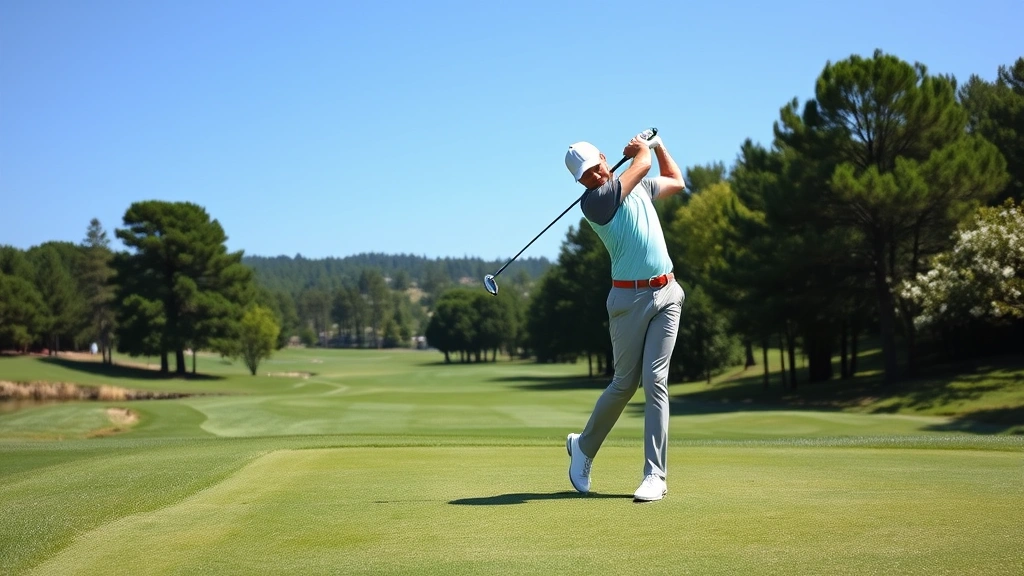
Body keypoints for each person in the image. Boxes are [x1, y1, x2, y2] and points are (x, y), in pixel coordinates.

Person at [562, 130, 687, 502]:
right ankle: (583, 447)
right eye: (584, 176)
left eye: (595, 167)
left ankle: (655, 476)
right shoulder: (595, 203)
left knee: (655, 381)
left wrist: (660, 145)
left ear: (603, 158)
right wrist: (641, 150)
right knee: (624, 385)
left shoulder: (639, 188)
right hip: (627, 301)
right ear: (581, 182)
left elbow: (677, 182)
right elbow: (642, 163)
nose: (594, 176)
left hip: (667, 293)